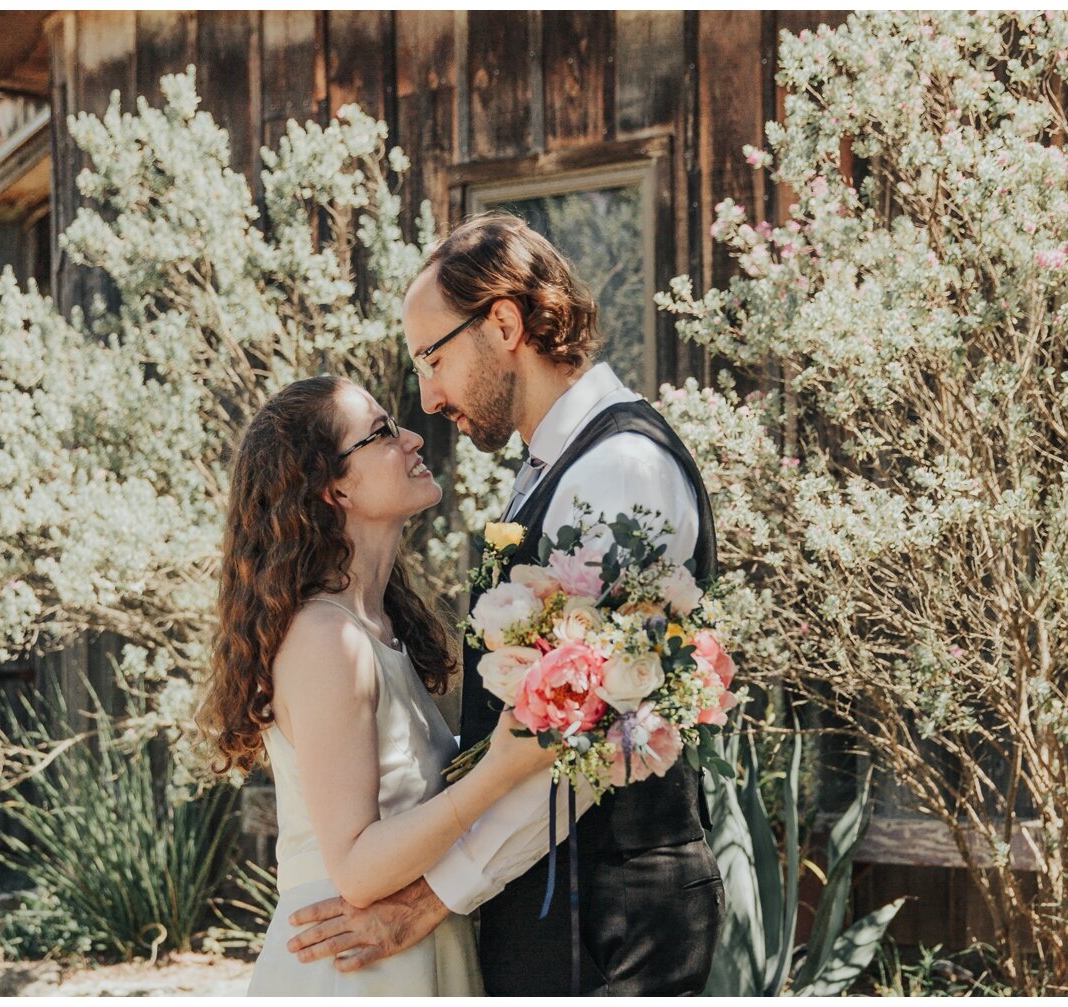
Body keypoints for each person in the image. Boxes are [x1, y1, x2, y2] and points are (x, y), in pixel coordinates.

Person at [285, 213, 726, 995]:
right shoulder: (555, 467)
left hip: (607, 912)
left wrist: (428, 900)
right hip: (557, 895)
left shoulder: (616, 472)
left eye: (433, 357)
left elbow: (581, 748)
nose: (426, 397)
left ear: (504, 323)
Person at [200, 375, 556, 995]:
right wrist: (499, 769)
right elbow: (359, 870)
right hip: (356, 971)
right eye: (383, 433)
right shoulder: (323, 639)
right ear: (332, 486)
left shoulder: (380, 627)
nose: (415, 437)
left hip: (407, 952)